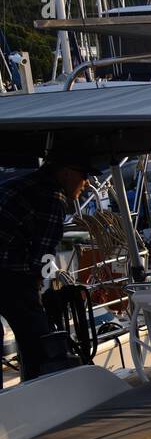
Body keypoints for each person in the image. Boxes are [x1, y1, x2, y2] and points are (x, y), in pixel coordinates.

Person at [0, 160, 91, 381]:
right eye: (84, 175)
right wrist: (38, 282)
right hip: (8, 272)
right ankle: (39, 389)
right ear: (67, 172)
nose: (86, 183)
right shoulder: (53, 197)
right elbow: (44, 252)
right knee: (36, 340)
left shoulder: (20, 184)